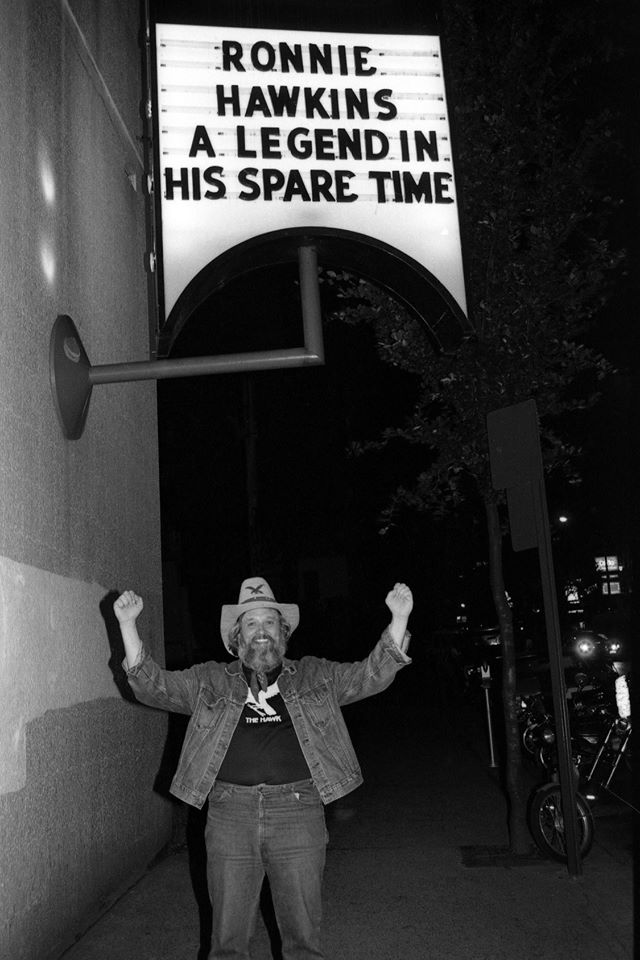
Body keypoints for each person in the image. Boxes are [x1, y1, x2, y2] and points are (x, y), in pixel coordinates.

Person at [114, 576, 413, 960]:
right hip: (228, 815)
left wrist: (399, 619)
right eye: (251, 623)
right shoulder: (209, 679)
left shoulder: (314, 674)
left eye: (270, 622)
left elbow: (370, 676)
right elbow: (154, 687)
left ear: (282, 632)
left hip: (298, 811)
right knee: (227, 942)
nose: (261, 632)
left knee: (303, 939)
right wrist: (127, 625)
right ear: (237, 637)